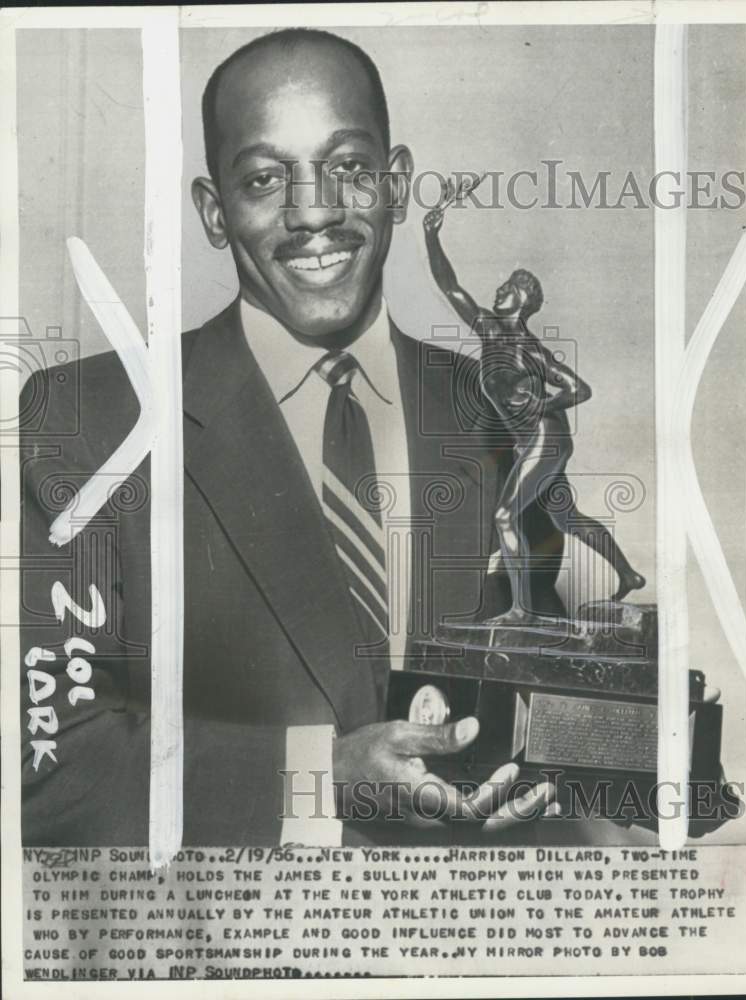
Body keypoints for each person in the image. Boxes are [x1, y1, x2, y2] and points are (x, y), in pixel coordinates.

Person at [20, 29, 565, 846]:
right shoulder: (88, 420)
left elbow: (530, 667)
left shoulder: (493, 412)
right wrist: (323, 778)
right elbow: (48, 767)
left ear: (396, 184)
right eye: (265, 179)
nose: (315, 211)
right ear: (215, 213)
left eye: (348, 166)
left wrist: (543, 768)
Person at [423, 204, 646, 623]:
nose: (499, 290)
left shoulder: (530, 349)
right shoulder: (489, 329)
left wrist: (541, 406)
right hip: (534, 443)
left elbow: (580, 389)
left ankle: (521, 610)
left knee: (505, 515)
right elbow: (450, 287)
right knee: (567, 518)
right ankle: (629, 574)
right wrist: (431, 236)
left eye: (508, 287)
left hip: (547, 439)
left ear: (523, 300)